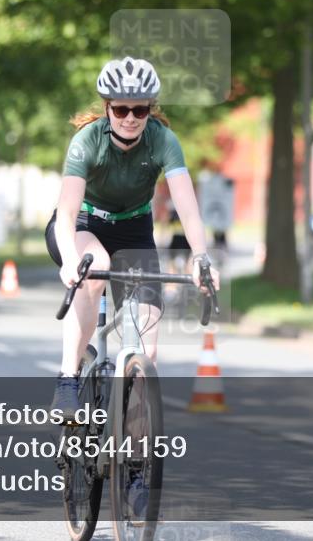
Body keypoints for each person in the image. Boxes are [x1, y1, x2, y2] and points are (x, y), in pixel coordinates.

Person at [46, 57, 220, 421]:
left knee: (147, 351)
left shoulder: (163, 140)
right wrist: (68, 258)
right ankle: (67, 380)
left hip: (134, 230)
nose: (129, 117)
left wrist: (201, 258)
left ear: (149, 110)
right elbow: (65, 213)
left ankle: (136, 460)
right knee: (97, 272)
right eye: (121, 108)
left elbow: (188, 210)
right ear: (107, 108)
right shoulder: (87, 140)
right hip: (84, 225)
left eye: (139, 110)